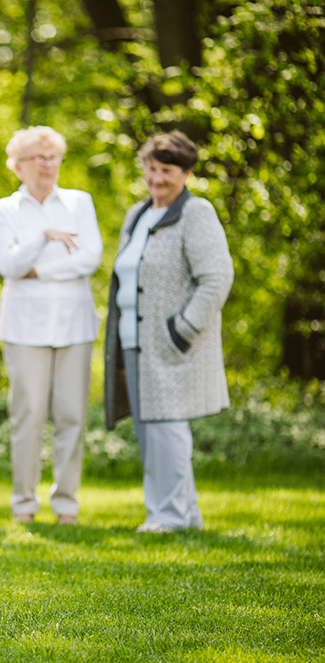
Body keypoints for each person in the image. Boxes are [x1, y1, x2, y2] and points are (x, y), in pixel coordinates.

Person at [104, 130, 233, 533]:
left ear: (187, 173)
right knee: (151, 433)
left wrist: (183, 330)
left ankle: (168, 516)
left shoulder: (196, 213)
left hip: (171, 344)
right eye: (151, 168)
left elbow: (216, 278)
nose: (157, 178)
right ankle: (185, 514)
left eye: (167, 170)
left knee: (168, 429)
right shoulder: (138, 214)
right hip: (134, 343)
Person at [0, 126, 103, 525]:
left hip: (75, 325)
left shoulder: (79, 202)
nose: (49, 165)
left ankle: (66, 503)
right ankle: (24, 502)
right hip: (25, 329)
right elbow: (8, 266)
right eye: (40, 157)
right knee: (28, 415)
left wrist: (38, 268)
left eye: (54, 157)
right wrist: (42, 236)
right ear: (18, 166)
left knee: (72, 414)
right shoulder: (5, 209)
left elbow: (90, 258)